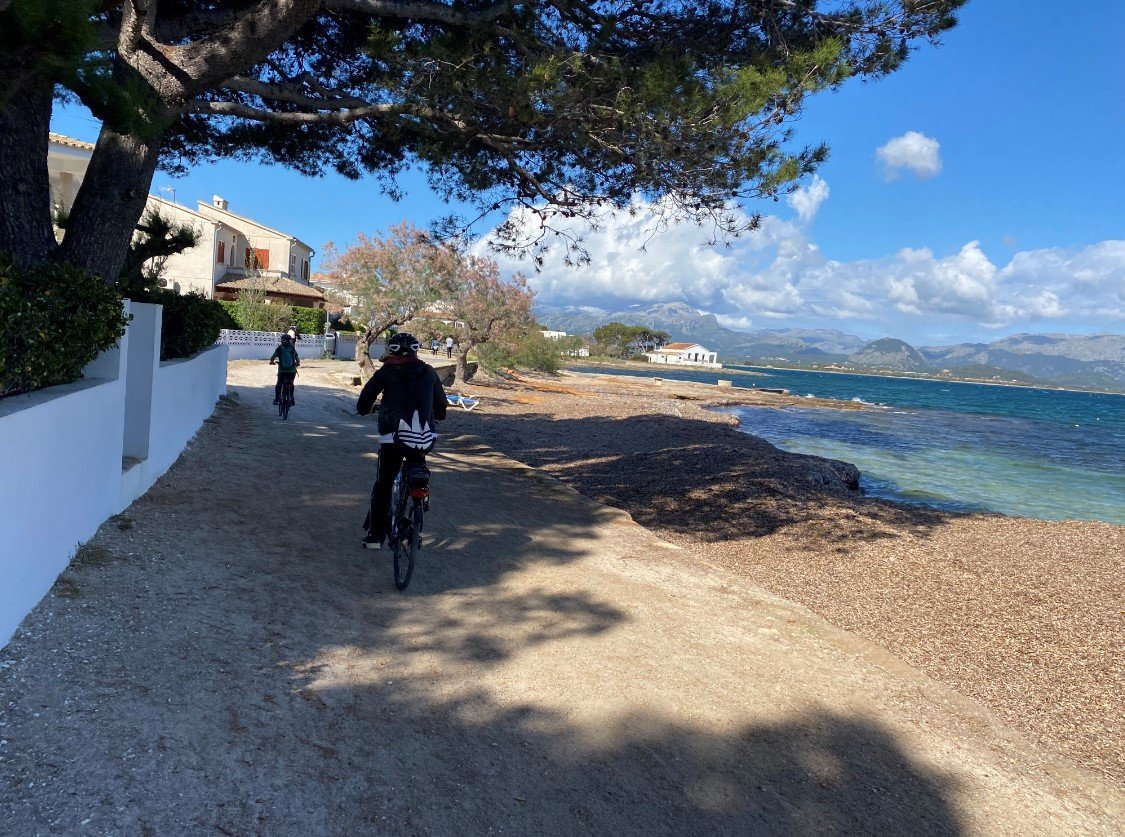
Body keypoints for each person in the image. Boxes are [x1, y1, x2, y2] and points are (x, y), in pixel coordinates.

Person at [356, 332, 448, 549]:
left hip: (393, 439)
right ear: (416, 350)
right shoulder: (429, 372)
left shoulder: (386, 372)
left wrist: (365, 409)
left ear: (392, 350)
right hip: (423, 440)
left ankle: (376, 536)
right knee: (419, 474)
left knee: (384, 484)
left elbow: (364, 400)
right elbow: (441, 406)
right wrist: (437, 415)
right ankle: (416, 526)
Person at [269, 333, 300, 405]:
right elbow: (297, 358)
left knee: (279, 384)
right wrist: (297, 363)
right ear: (290, 341)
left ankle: (276, 399)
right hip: (292, 371)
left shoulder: (279, 348)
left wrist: (271, 362)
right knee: (291, 383)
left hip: (282, 370)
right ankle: (291, 398)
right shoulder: (292, 348)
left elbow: (272, 358)